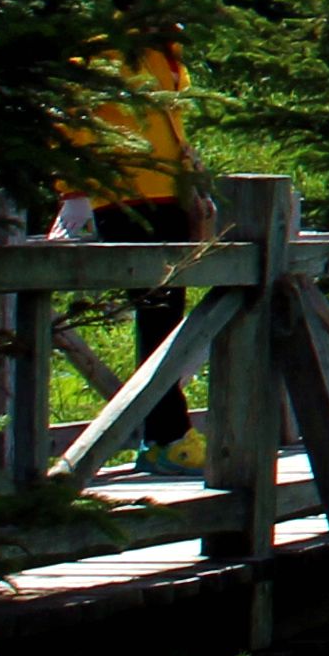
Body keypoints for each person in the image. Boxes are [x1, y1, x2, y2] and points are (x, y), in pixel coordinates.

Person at [51, 29, 208, 476]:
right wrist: (74, 190)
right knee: (159, 318)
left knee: (165, 319)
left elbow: (166, 127)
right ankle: (165, 438)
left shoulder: (166, 51)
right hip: (127, 196)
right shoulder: (107, 47)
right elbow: (68, 120)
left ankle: (161, 436)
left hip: (169, 195)